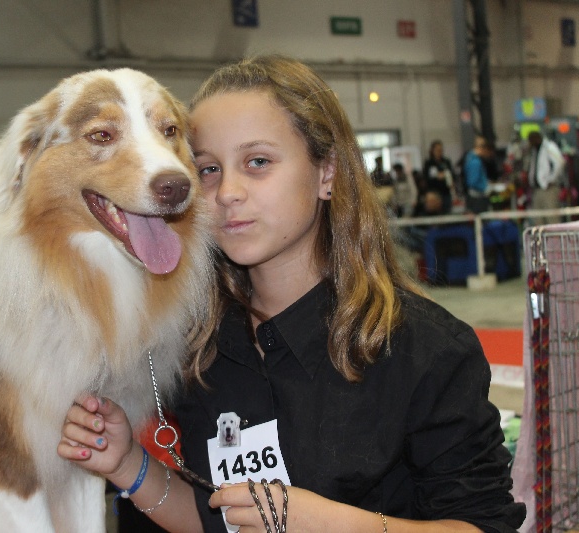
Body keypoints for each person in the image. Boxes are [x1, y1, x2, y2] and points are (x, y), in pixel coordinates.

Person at [58, 55, 525, 532]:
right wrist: (127, 465)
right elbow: (219, 522)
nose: (227, 193)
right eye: (209, 169)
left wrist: (331, 524)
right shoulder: (197, 347)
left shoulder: (427, 352)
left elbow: (484, 526)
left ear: (327, 172)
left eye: (258, 162)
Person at [527, 130, 565, 224]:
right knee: (538, 220)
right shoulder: (534, 150)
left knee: (552, 219)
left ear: (537, 138)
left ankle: (555, 239)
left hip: (549, 189)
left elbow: (560, 162)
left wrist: (551, 179)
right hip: (537, 189)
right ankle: (540, 239)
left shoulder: (549, 146)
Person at [423, 140, 455, 214]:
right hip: (434, 194)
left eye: (441, 150)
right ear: (432, 150)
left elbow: (452, 175)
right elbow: (426, 179)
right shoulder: (429, 163)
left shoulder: (446, 162)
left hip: (446, 193)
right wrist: (437, 176)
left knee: (447, 212)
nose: (439, 152)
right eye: (437, 150)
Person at [463, 136, 492, 214]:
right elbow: (472, 182)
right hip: (477, 199)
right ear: (482, 148)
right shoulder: (475, 162)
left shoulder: (470, 158)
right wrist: (485, 188)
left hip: (475, 197)